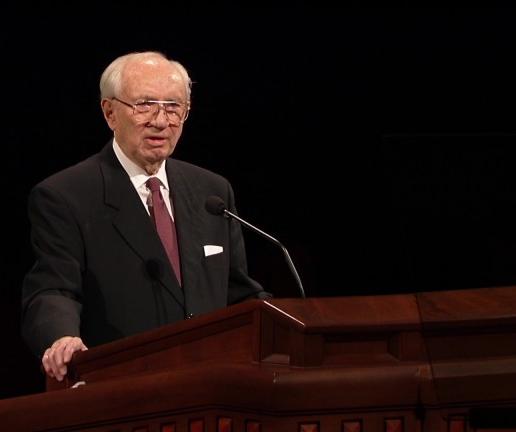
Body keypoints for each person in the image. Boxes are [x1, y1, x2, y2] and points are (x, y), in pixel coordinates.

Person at [21, 51, 269, 382]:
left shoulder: (212, 191)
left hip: (210, 386)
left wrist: (283, 323)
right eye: (145, 105)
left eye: (173, 107)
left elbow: (238, 294)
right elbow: (54, 289)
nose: (161, 121)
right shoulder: (66, 195)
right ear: (109, 112)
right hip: (122, 386)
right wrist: (61, 336)